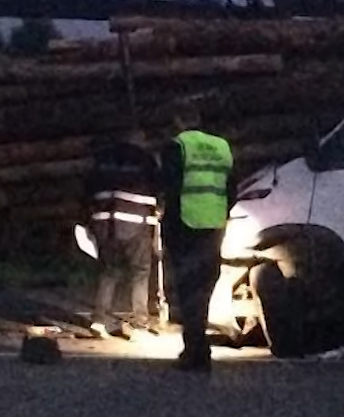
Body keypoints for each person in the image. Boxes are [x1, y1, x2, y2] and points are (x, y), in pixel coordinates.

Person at [156, 103, 233, 371]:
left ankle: (195, 351)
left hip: (185, 225)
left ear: (178, 121)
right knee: (204, 289)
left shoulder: (177, 146)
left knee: (188, 290)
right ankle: (199, 348)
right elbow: (230, 187)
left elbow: (169, 186)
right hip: (214, 225)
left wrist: (167, 224)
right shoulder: (222, 147)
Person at [84, 129, 159, 338]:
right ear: (140, 140)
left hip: (104, 223)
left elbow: (87, 189)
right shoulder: (145, 160)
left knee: (109, 271)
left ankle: (99, 321)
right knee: (140, 272)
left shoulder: (103, 159)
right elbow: (157, 187)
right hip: (136, 222)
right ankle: (140, 324)